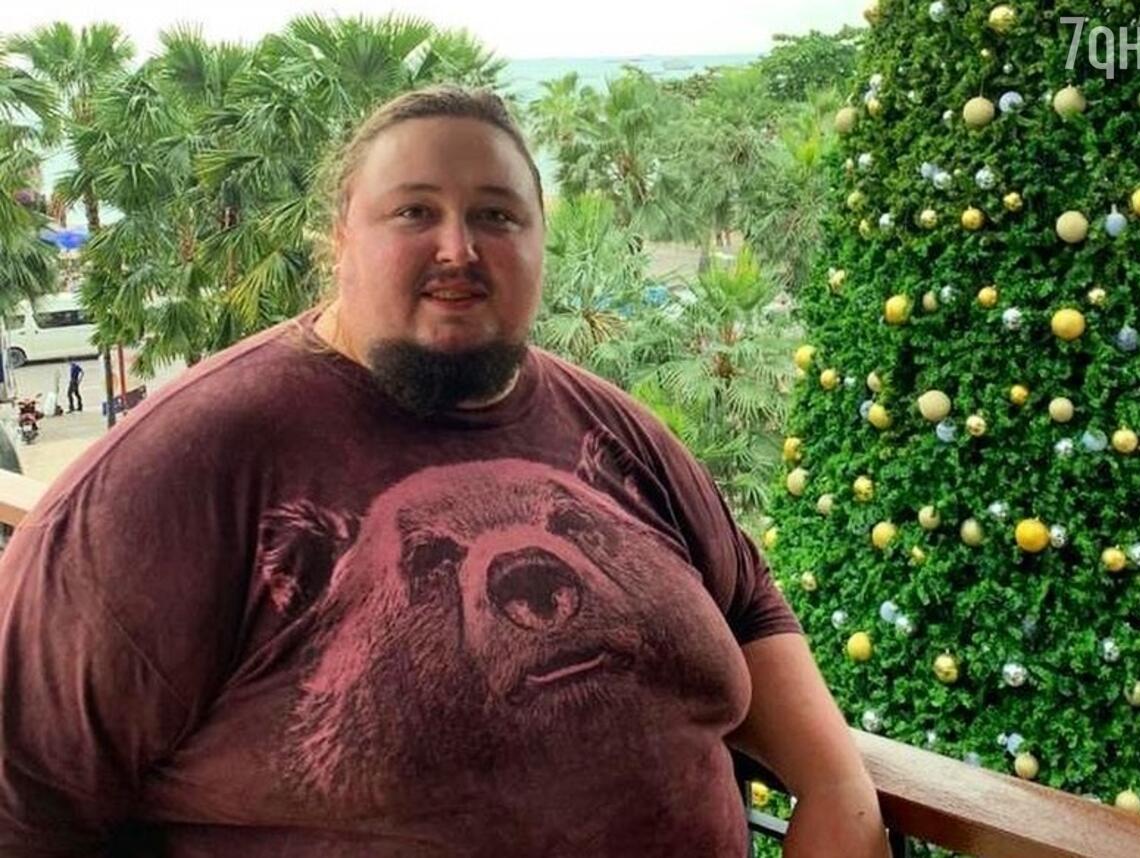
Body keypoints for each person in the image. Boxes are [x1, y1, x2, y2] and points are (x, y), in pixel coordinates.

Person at [0, 86, 886, 857]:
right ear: (338, 241)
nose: (458, 248)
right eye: (414, 212)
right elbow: (23, 802)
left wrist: (837, 790)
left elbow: (748, 606)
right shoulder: (185, 469)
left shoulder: (619, 433)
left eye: (497, 215)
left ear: (541, 241)